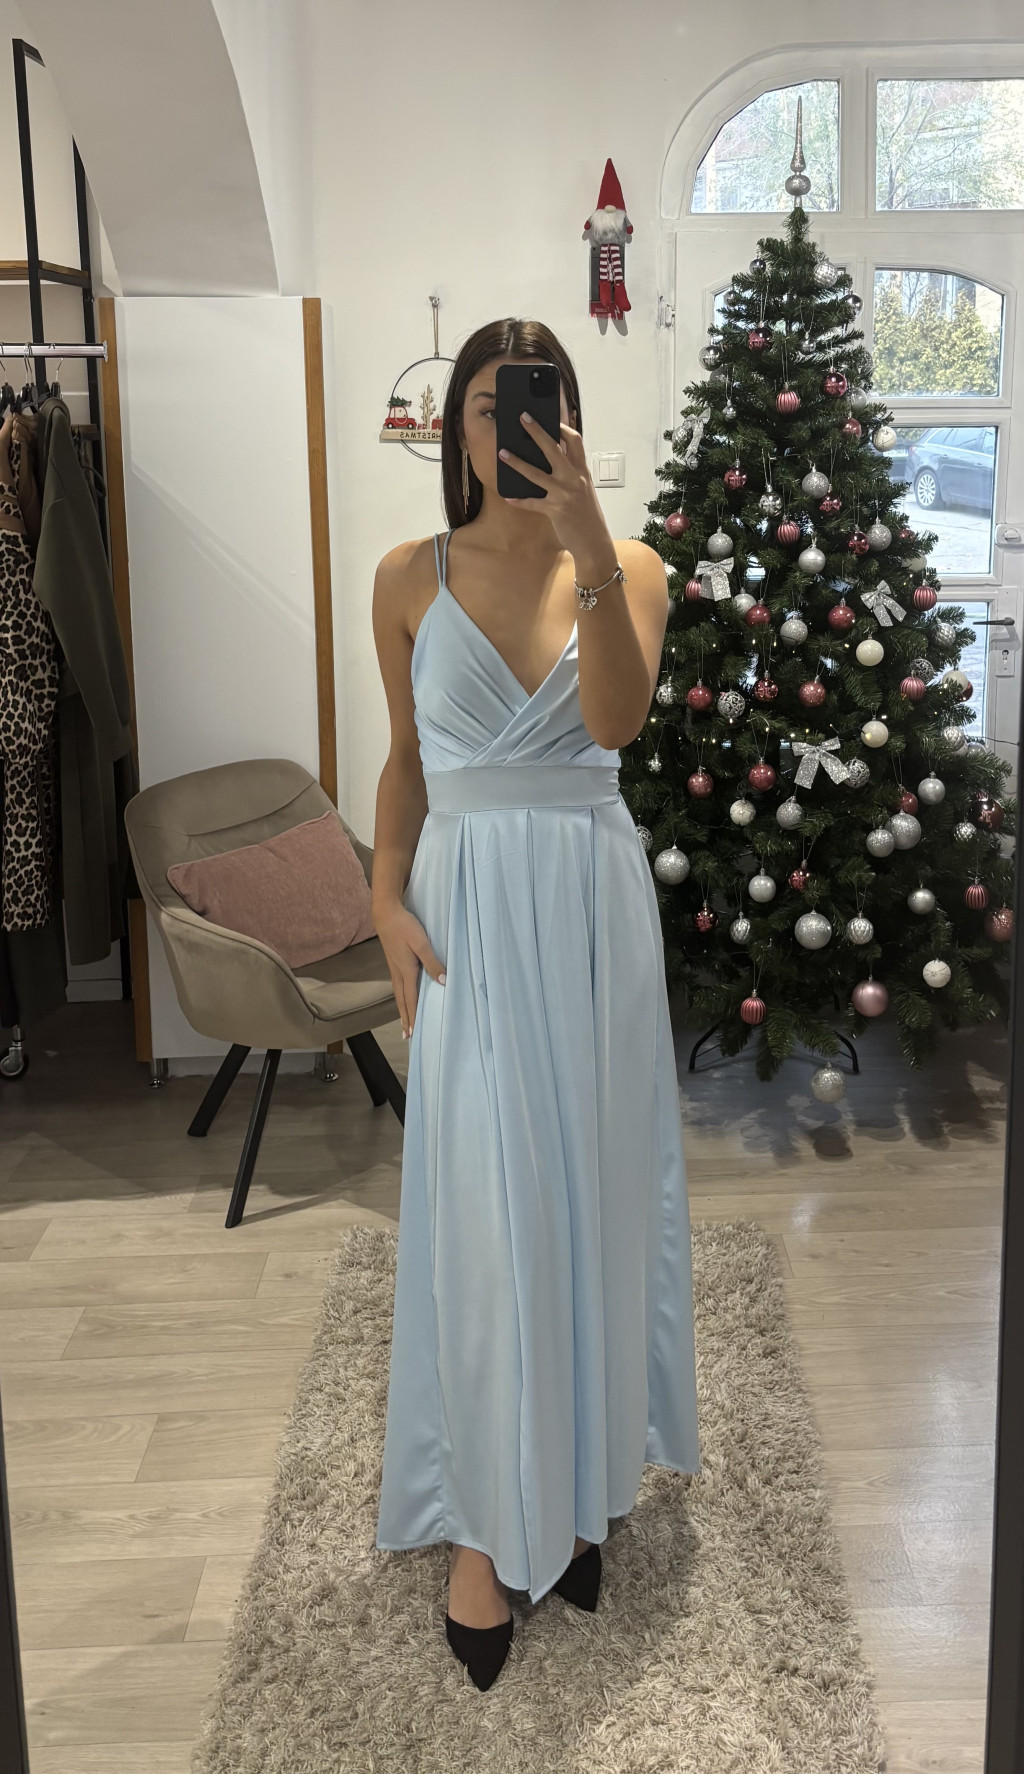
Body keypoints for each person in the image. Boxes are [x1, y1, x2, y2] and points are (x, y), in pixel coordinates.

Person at [371, 317, 701, 1690]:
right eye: (489, 405)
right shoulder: (408, 575)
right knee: (482, 1208)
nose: (512, 422)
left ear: (566, 415)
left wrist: (587, 542)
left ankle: (578, 1484)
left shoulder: (630, 565)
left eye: (540, 398)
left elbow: (615, 724)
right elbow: (406, 759)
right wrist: (383, 895)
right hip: (461, 915)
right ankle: (479, 1524)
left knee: (591, 1193)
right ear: (458, 425)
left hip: (587, 909)